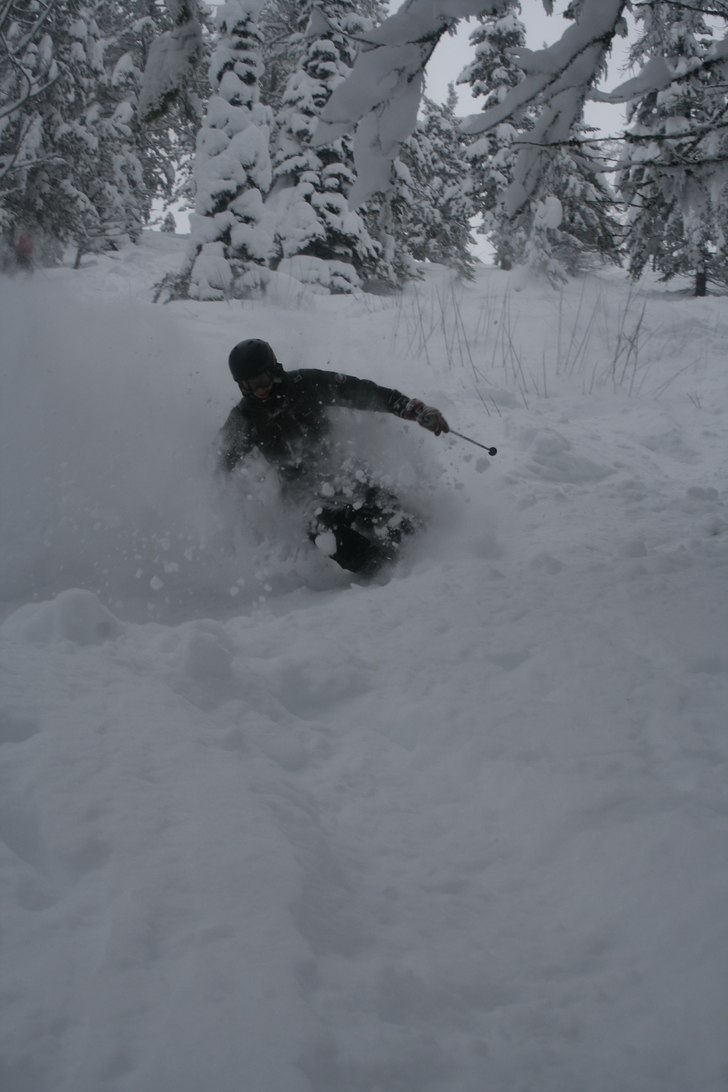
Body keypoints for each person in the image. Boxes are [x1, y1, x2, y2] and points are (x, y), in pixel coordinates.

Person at [217, 338, 449, 576]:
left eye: (262, 380)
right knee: (323, 530)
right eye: (250, 385)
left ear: (274, 369)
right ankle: (383, 574)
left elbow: (362, 392)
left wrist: (413, 409)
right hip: (300, 492)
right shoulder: (243, 419)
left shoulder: (304, 384)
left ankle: (433, 550)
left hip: (337, 469)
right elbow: (220, 461)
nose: (260, 389)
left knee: (385, 510)